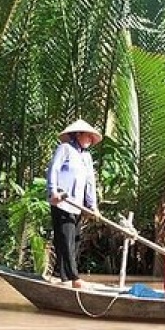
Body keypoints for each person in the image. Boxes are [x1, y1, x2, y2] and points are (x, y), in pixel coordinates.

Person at [46, 119, 102, 289]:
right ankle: (74, 277)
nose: (91, 140)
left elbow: (90, 182)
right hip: (62, 202)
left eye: (93, 138)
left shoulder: (86, 157)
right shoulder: (65, 149)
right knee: (65, 238)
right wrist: (53, 191)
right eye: (88, 136)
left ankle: (61, 275)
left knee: (75, 241)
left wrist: (93, 207)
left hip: (77, 205)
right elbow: (54, 169)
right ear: (78, 134)